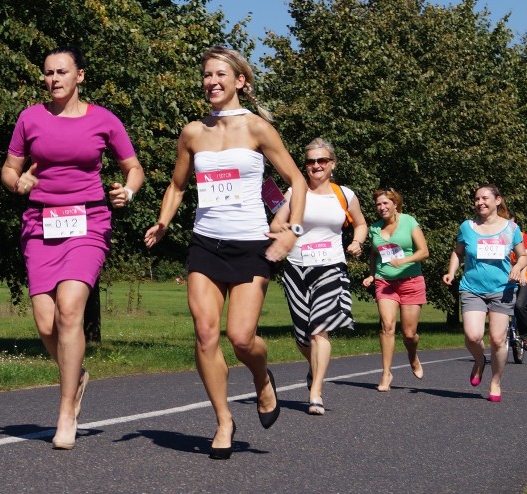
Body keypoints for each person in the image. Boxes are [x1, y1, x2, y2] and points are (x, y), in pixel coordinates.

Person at [144, 46, 307, 459]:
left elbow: (297, 181)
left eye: (220, 74)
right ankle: (223, 420)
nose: (211, 81)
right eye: (206, 75)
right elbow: (178, 187)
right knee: (204, 333)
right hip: (205, 243)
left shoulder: (258, 129)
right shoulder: (192, 132)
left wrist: (292, 231)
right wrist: (164, 221)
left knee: (241, 337)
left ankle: (262, 380)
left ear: (240, 81)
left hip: (251, 244)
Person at [0, 46, 144, 449]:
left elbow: (134, 168)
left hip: (87, 222)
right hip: (40, 225)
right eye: (48, 73)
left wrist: (127, 193)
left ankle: (66, 413)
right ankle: (75, 373)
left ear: (80, 75)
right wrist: (17, 183)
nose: (54, 79)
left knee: (69, 309)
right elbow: (10, 169)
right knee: (46, 323)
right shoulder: (30, 118)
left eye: (62, 72)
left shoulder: (104, 120)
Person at [270, 138, 367, 414]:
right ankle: (314, 369)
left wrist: (357, 242)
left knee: (318, 329)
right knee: (302, 336)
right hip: (297, 267)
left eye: (321, 160)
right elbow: (277, 222)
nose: (316, 165)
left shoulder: (344, 195)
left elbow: (360, 223)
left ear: (332, 164)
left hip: (331, 266)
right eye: (311, 161)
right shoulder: (294, 193)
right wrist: (283, 229)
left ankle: (316, 393)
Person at [442, 184, 527, 403]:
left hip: (503, 289)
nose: (479, 202)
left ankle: (496, 381)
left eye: (485, 198)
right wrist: (451, 272)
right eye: (476, 199)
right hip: (472, 288)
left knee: (498, 340)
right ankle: (479, 361)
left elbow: (523, 255)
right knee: (472, 336)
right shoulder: (467, 227)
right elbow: (457, 252)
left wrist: (518, 268)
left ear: (497, 200)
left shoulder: (511, 228)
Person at [362, 187, 429, 392]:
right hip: (385, 282)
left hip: (411, 281)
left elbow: (424, 251)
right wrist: (372, 274)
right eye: (378, 204)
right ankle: (386, 373)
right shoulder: (374, 228)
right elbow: (374, 254)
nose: (382, 207)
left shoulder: (409, 221)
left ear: (395, 204)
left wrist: (405, 260)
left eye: (385, 203)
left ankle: (412, 355)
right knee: (387, 326)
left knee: (409, 334)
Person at [507, 210, 527, 351]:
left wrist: (523, 274)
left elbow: (526, 257)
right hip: (506, 278)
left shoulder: (523, 237)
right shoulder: (498, 237)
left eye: (511, 222)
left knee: (519, 305)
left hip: (523, 277)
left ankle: (525, 335)